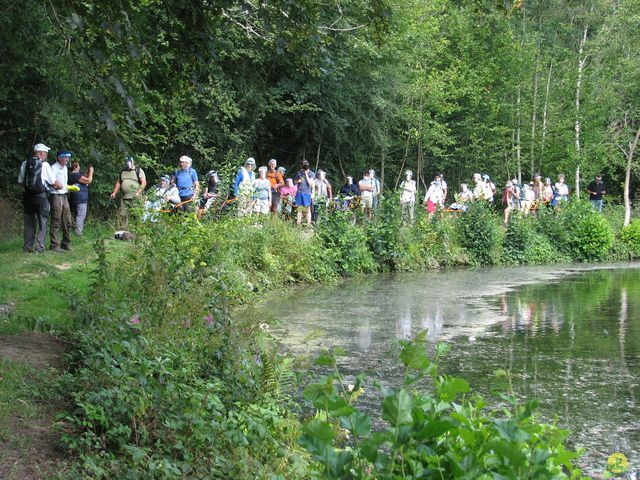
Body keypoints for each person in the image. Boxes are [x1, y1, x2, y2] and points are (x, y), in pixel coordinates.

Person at [17, 143, 56, 253]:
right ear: (41, 153)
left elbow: (20, 181)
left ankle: (27, 247)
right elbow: (53, 182)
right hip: (41, 197)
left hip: (28, 197)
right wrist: (60, 185)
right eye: (45, 153)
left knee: (29, 223)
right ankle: (39, 247)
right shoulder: (45, 165)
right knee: (42, 222)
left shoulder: (25, 163)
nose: (46, 155)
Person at [110, 155, 147, 229]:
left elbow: (144, 182)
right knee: (123, 214)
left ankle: (138, 230)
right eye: (125, 162)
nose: (127, 164)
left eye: (128, 162)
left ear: (132, 162)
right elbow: (118, 182)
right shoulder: (123, 171)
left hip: (135, 197)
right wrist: (114, 192)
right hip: (125, 197)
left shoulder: (138, 170)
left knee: (137, 214)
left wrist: (138, 192)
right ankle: (123, 231)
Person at [49, 150, 73, 252]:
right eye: (65, 157)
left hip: (64, 195)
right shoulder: (53, 168)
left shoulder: (65, 168)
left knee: (67, 220)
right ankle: (54, 245)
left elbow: (64, 183)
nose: (67, 159)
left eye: (68, 157)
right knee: (56, 219)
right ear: (59, 157)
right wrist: (56, 186)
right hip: (56, 195)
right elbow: (51, 182)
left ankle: (66, 243)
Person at [68, 160, 94, 235]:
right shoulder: (76, 175)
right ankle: (78, 232)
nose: (79, 168)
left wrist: (88, 172)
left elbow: (84, 178)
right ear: (75, 167)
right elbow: (89, 180)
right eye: (78, 166)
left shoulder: (71, 175)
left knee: (76, 215)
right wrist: (91, 171)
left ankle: (73, 230)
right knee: (81, 215)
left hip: (75, 197)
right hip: (81, 198)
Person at [294, 160, 315, 226]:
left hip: (307, 193)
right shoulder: (299, 172)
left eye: (306, 165)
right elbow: (295, 181)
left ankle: (308, 225)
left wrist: (306, 174)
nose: (305, 166)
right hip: (299, 192)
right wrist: (298, 181)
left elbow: (310, 183)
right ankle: (298, 224)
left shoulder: (311, 173)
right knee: (299, 209)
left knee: (307, 210)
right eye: (304, 165)